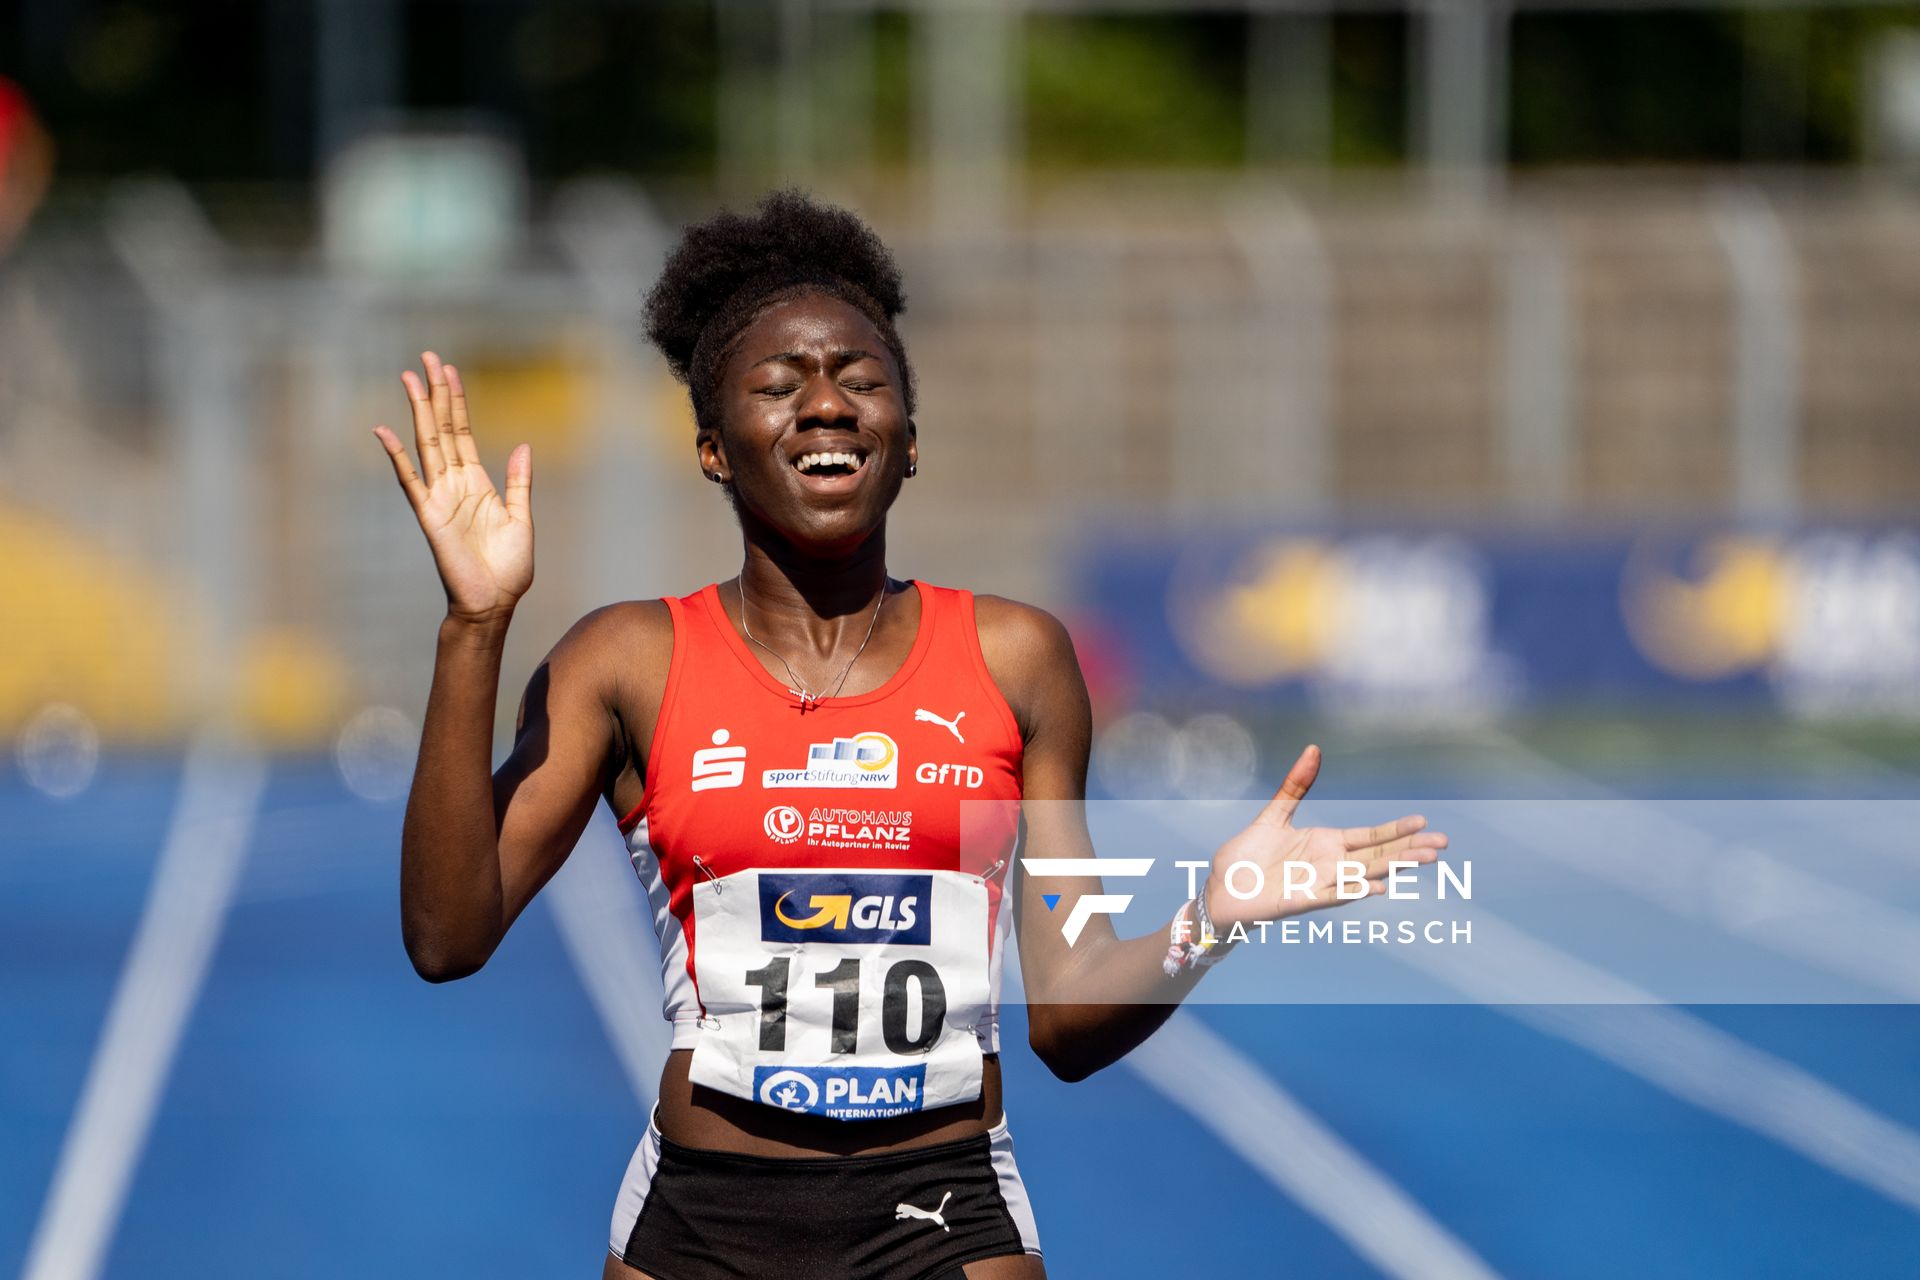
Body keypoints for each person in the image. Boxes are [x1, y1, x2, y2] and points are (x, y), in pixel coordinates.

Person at [373, 190, 1446, 1279]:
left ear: (910, 442)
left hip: (945, 1215)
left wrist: (1212, 915)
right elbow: (446, 935)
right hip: (704, 1227)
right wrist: (476, 623)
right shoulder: (627, 661)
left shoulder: (1017, 659)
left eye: (862, 380)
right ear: (711, 447)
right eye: (779, 386)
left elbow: (1070, 1018)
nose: (827, 405)